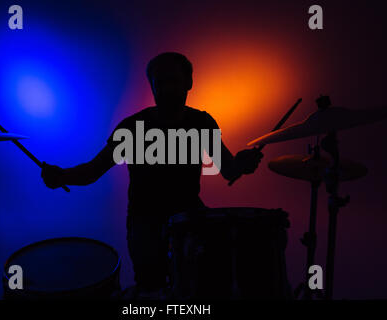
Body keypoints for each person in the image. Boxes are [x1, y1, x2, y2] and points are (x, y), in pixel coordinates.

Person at [41, 52, 263, 295]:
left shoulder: (201, 123)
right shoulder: (132, 128)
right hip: (145, 223)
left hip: (189, 220)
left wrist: (243, 164)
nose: (168, 89)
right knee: (153, 292)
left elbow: (229, 170)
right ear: (152, 86)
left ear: (189, 83)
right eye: (161, 83)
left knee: (201, 287)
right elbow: (93, 171)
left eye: (174, 81)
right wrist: (62, 176)